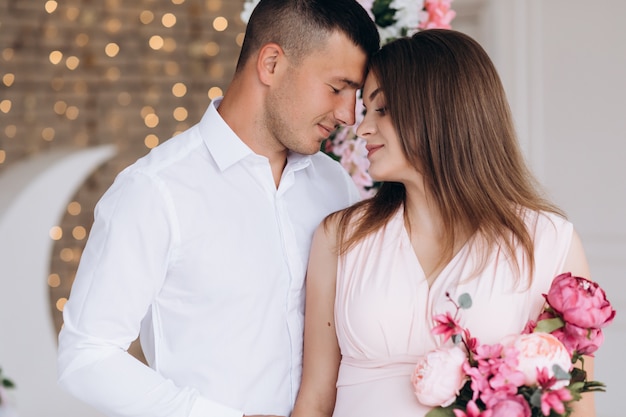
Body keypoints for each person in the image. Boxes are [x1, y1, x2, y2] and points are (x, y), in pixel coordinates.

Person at [56, 1, 380, 416]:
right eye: (337, 88)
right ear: (271, 63)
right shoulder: (156, 191)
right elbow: (86, 354)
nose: (348, 115)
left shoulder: (335, 186)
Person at [291, 29, 596, 417]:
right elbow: (316, 401)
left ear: (440, 111)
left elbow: (576, 407)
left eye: (380, 109)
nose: (362, 128)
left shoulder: (549, 242)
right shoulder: (340, 237)